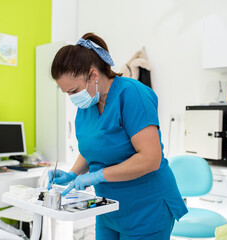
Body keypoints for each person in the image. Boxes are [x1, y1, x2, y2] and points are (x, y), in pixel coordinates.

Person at [48, 32, 188, 240]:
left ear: (93, 75)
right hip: (108, 208)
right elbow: (95, 149)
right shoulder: (88, 104)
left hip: (147, 209)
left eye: (73, 90)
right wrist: (73, 174)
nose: (72, 97)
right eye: (67, 92)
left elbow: (150, 159)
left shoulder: (133, 95)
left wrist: (97, 175)